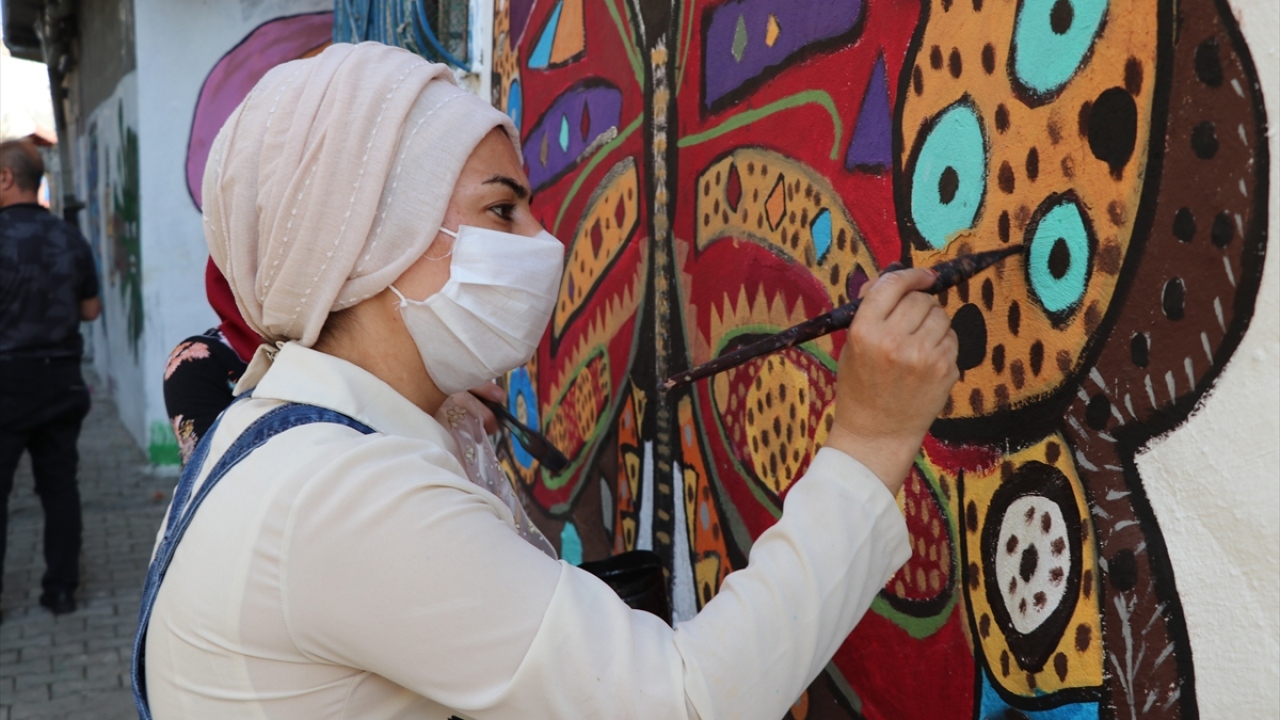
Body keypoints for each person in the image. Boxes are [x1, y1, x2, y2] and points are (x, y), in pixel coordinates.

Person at [135, 43, 958, 719]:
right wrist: (871, 440)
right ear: (364, 242)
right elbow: (681, 701)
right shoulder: (342, 493)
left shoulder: (287, 429)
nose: (545, 240)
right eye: (502, 211)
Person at [0, 139, 101, 616]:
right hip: (61, 379)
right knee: (60, 488)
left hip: (7, 382)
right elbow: (91, 309)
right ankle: (61, 591)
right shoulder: (70, 237)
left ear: (6, 177)